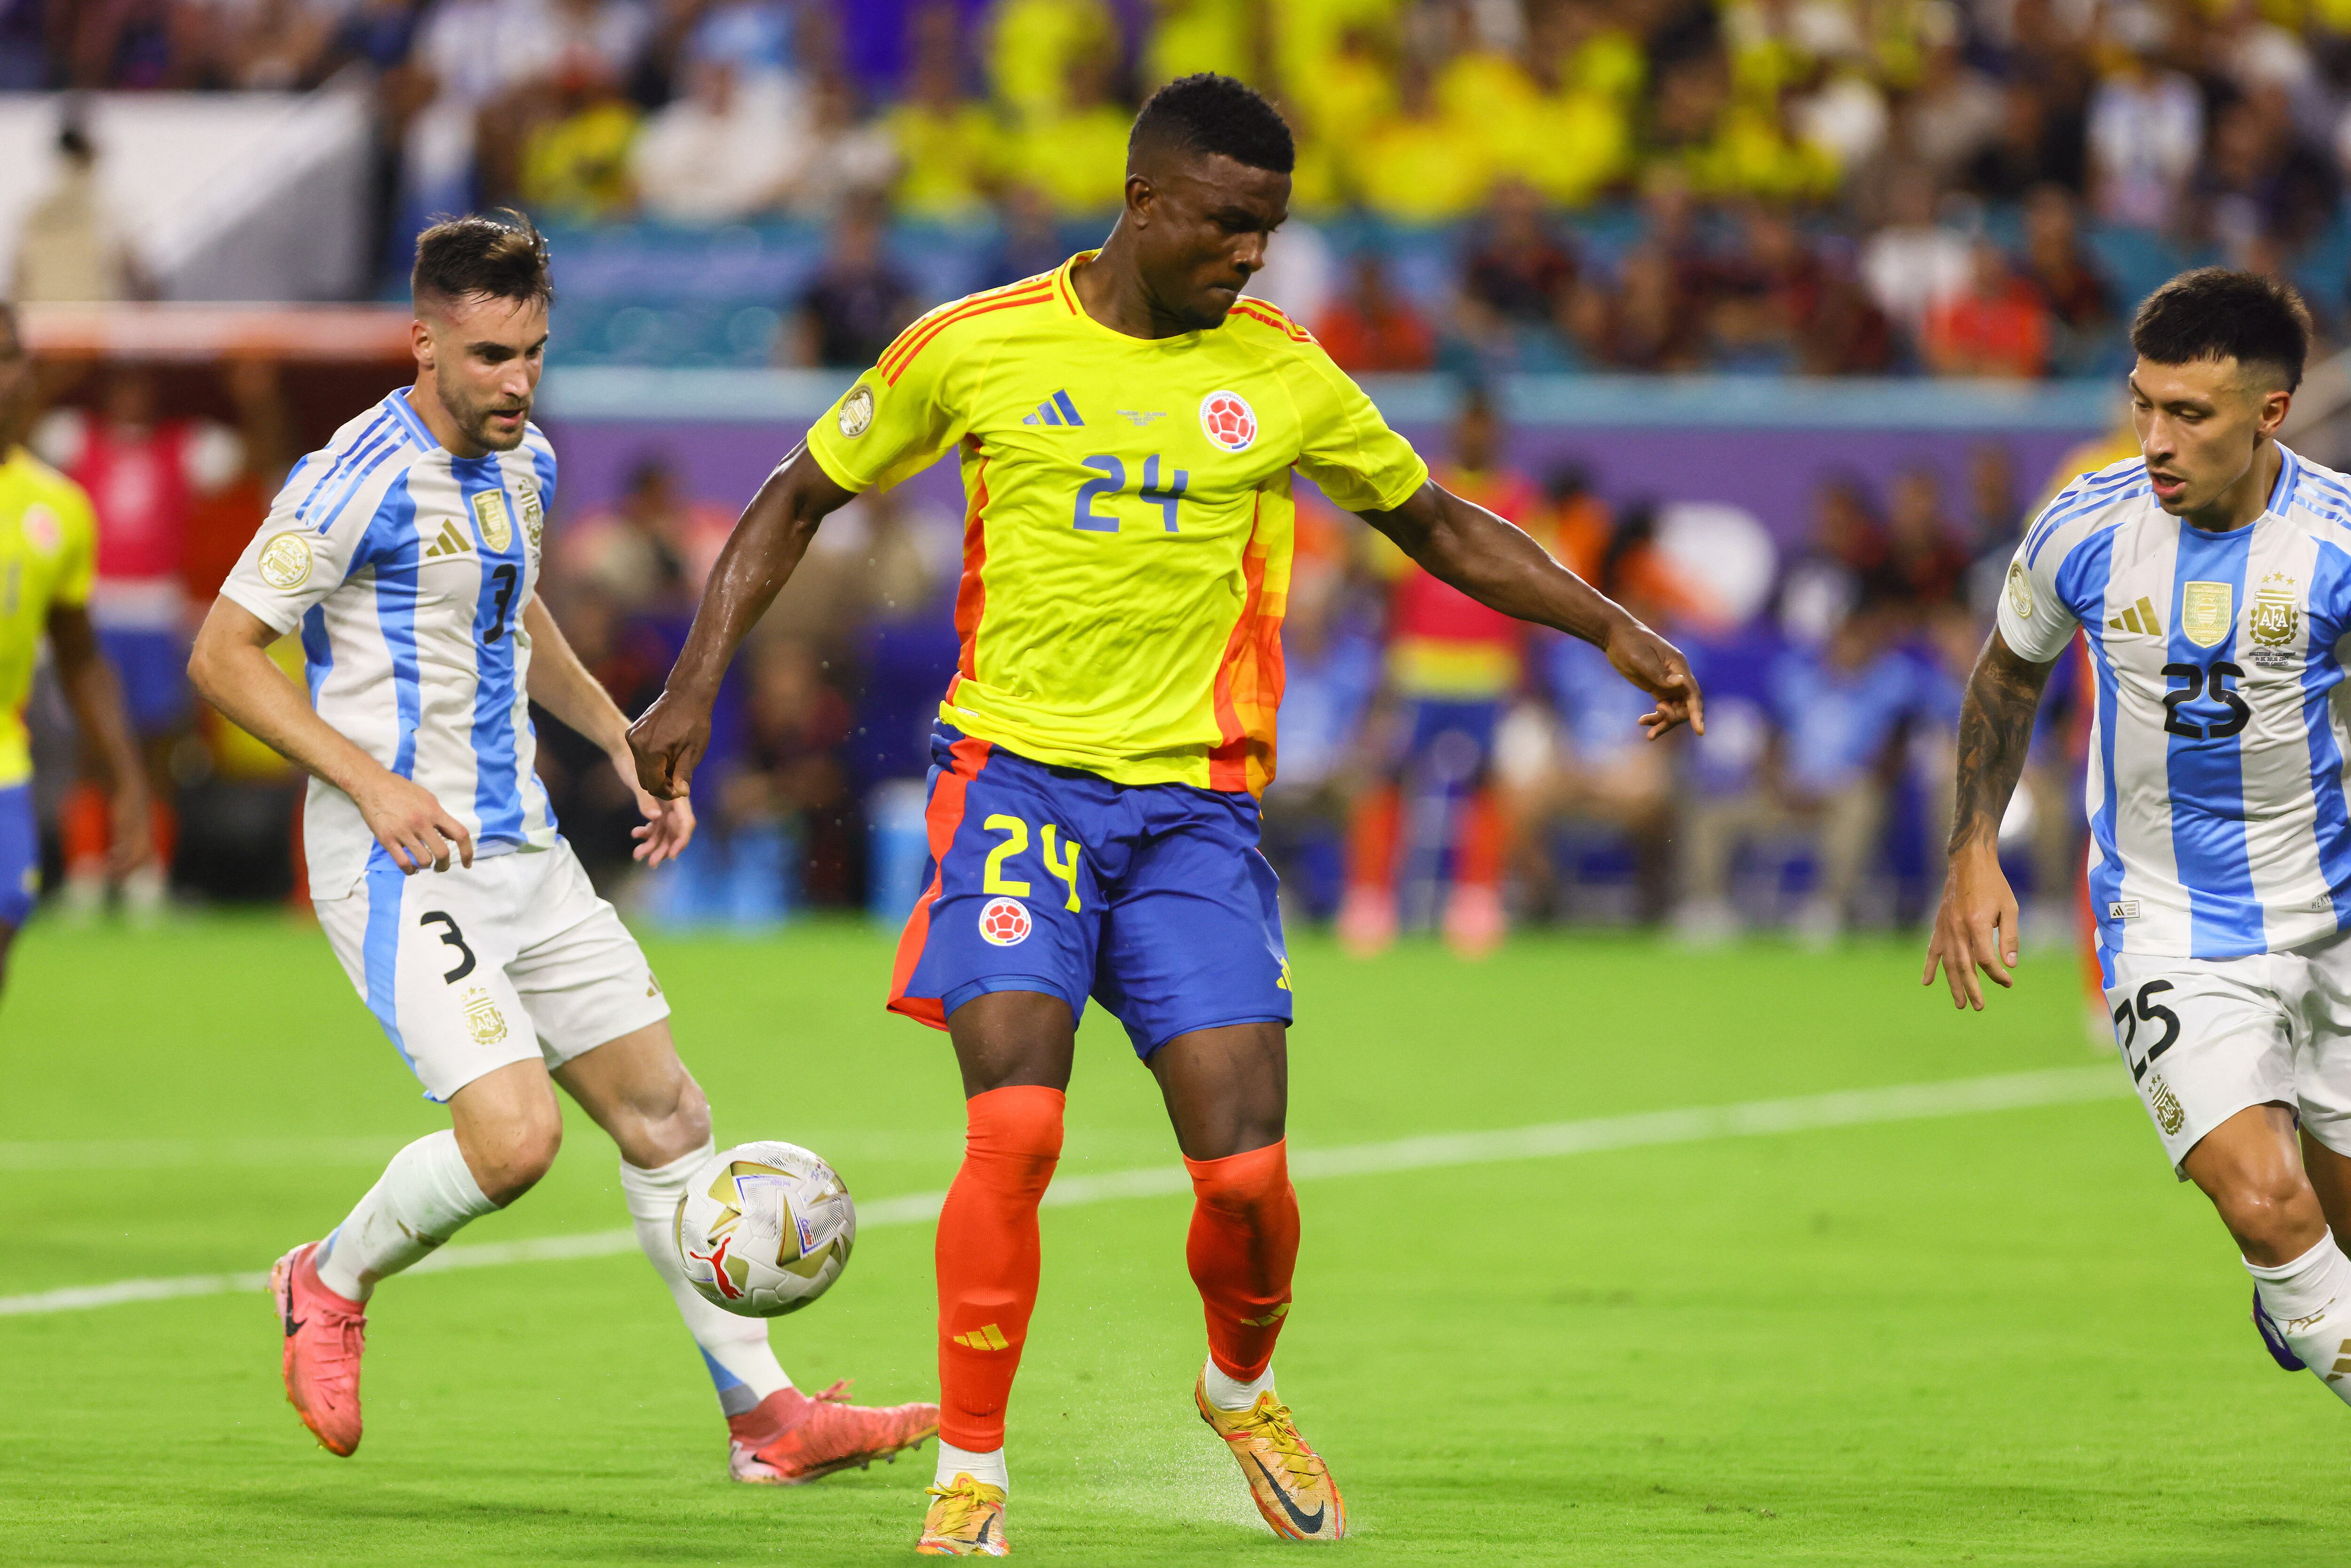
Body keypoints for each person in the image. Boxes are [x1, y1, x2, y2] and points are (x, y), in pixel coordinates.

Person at [626, 74, 1702, 1554]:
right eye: (1226, 223)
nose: (1250, 254)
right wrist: (693, 685)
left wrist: (1613, 630)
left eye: (1269, 228)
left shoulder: (1285, 375)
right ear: (1143, 203)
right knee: (1014, 1132)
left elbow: (1435, 520)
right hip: (1014, 787)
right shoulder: (978, 347)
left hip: (1196, 815)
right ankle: (973, 1483)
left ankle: (1239, 1385)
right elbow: (794, 497)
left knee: (1248, 1175)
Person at [185, 213, 935, 1479]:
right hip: (398, 859)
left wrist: (617, 734)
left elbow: (509, 605)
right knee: (518, 1142)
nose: (516, 382)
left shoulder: (523, 461)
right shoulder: (347, 477)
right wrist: (370, 783)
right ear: (423, 340)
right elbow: (221, 656)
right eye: (487, 356)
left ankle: (769, 1422)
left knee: (666, 1116)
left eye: (533, 351)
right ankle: (327, 1278)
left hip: (526, 851)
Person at [1927, 268, 2351, 1419]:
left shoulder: (2338, 545)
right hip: (2168, 930)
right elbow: (2007, 673)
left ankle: (2299, 1304)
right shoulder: (2087, 524)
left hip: (2336, 927)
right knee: (2269, 1209)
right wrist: (1972, 847)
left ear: (2270, 415)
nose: (2155, 440)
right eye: (2143, 405)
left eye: (2190, 414)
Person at [0, 302, 147, 999]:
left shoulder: (57, 508)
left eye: (4, 356)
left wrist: (127, 780)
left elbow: (81, 658)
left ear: (25, 371)